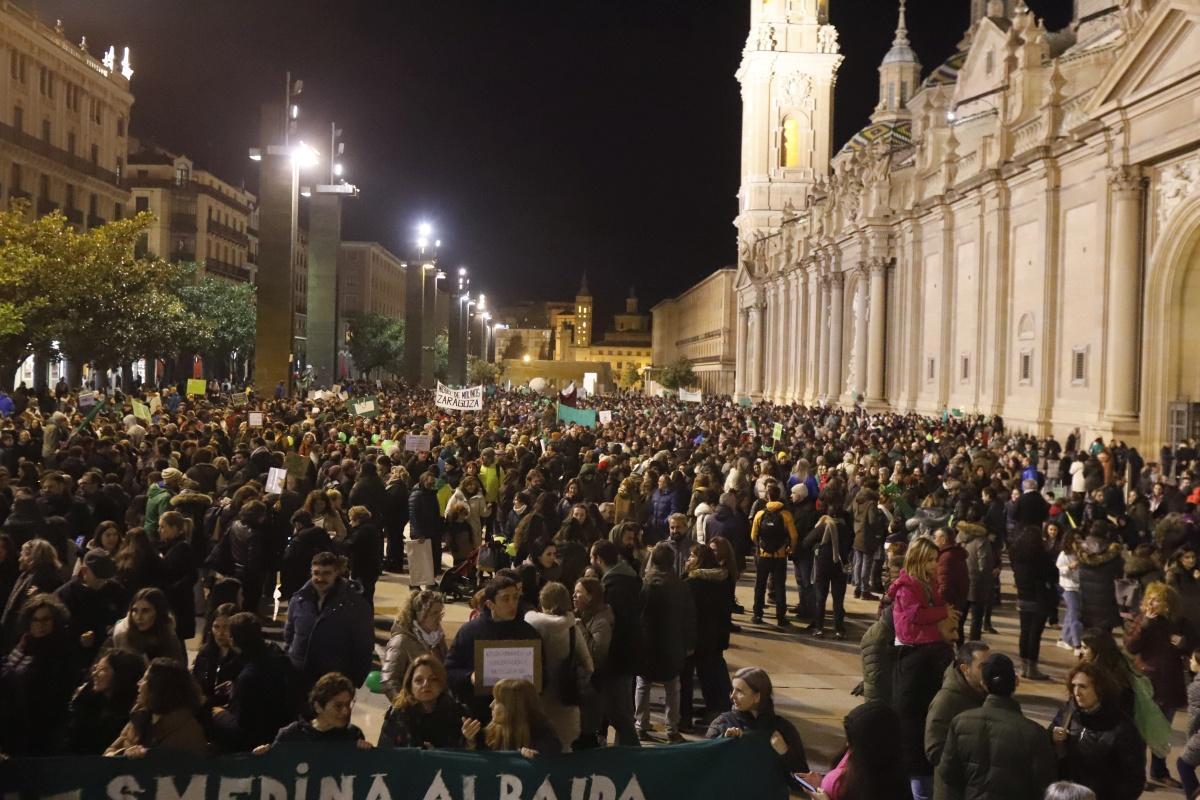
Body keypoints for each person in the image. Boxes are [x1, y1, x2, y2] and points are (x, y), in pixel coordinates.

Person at [887, 536, 957, 800]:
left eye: (935, 560)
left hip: (928, 648)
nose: (934, 565)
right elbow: (916, 616)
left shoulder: (927, 583)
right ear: (917, 560)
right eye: (929, 560)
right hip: (916, 648)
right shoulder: (908, 587)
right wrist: (943, 615)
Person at [934, 653, 1057, 800]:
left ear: (983, 683)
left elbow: (948, 775)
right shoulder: (1035, 733)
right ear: (1016, 682)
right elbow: (1044, 787)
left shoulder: (960, 722)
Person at [444, 576, 542, 724]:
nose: (512, 604)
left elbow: (543, 674)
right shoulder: (470, 632)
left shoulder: (528, 633)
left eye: (515, 598)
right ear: (490, 604)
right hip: (480, 714)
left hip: (518, 716)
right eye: (505, 599)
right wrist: (469, 677)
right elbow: (449, 671)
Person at [1124, 580, 1191, 787]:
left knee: (1162, 732)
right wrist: (1144, 626)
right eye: (1149, 599)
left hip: (1170, 683)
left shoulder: (1177, 622)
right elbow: (1131, 647)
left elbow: (1190, 645)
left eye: (1157, 600)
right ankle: (1137, 775)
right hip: (1147, 684)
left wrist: (1183, 643)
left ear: (1167, 604)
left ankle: (1159, 772)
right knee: (1141, 733)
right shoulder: (1142, 620)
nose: (1151, 604)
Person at [1049, 662, 1146, 800]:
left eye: (1083, 687)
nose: (1077, 693)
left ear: (1099, 689)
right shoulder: (1067, 713)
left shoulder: (1122, 728)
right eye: (1074, 686)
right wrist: (1052, 739)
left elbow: (1134, 779)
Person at [284, 551, 374, 693]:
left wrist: (354, 681)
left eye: (326, 573)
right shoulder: (299, 600)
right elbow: (289, 635)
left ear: (336, 573)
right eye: (316, 573)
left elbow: (364, 647)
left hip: (334, 681)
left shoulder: (355, 605)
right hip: (299, 677)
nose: (320, 578)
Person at [0, 593, 79, 754]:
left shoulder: (60, 652)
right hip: (11, 729)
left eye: (46, 619)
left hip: (38, 733)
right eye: (35, 620)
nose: (40, 625)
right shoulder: (22, 645)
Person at [634, 541, 696, 743]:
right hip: (671, 643)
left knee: (643, 684)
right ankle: (672, 729)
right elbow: (688, 617)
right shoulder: (680, 586)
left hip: (647, 642)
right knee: (672, 687)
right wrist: (688, 643)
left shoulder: (645, 585)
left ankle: (640, 725)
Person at [211, 613, 300, 752]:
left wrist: (219, 714)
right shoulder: (279, 658)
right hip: (285, 733)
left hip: (260, 745)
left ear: (233, 640)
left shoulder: (249, 675)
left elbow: (242, 726)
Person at [706, 667, 809, 787]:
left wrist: (785, 753)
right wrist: (722, 740)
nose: (732, 696)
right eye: (732, 689)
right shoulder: (722, 724)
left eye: (739, 691)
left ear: (757, 697)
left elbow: (803, 783)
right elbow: (704, 768)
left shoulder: (783, 729)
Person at [524, 581, 593, 752]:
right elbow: (589, 665)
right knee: (563, 750)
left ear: (543, 600)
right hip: (564, 700)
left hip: (534, 697)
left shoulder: (529, 625)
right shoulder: (571, 629)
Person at [589, 539, 641, 746]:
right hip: (630, 650)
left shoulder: (612, 586)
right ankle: (625, 751)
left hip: (618, 654)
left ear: (598, 559)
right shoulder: (631, 578)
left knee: (617, 710)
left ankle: (631, 751)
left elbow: (612, 624)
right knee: (623, 707)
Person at [803, 700, 909, 800]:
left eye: (850, 738)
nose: (847, 743)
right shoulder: (900, 774)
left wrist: (819, 789)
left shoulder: (839, 783)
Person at [105, 657, 208, 757]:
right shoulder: (140, 715)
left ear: (159, 687)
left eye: (145, 679)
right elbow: (110, 752)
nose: (138, 683)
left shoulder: (188, 731)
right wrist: (121, 754)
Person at [681, 543, 733, 730]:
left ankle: (706, 713)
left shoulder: (692, 582)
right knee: (710, 674)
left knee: (696, 676)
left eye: (692, 556)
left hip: (696, 636)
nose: (688, 560)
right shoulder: (722, 580)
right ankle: (716, 708)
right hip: (714, 635)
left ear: (701, 560)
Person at [379, 654, 480, 749]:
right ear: (410, 686)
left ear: (442, 684)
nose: (426, 684)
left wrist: (470, 741)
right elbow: (384, 755)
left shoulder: (459, 713)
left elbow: (472, 758)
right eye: (419, 680)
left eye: (433, 679)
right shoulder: (397, 714)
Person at [55, 548, 127, 671]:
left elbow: (123, 616)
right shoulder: (66, 595)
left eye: (106, 578)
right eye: (99, 578)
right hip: (74, 662)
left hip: (107, 659)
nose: (103, 582)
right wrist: (78, 639)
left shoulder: (115, 590)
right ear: (84, 571)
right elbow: (57, 631)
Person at [65, 648, 146, 754]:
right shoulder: (88, 700)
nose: (95, 674)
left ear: (121, 674)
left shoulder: (134, 710)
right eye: (96, 668)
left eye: (103, 669)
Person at [924, 641, 989, 769]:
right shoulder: (946, 701)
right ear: (965, 669)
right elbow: (934, 750)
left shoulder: (987, 693)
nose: (988, 671)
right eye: (982, 666)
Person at [265, 672, 370, 748]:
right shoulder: (291, 736)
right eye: (338, 706)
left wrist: (367, 756)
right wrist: (261, 758)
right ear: (318, 707)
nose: (346, 711)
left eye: (348, 704)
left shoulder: (353, 736)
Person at [1010, 525, 1059, 680]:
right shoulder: (1041, 556)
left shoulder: (1017, 556)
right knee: (1035, 634)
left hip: (1022, 596)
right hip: (1039, 597)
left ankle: (1023, 667)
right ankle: (1032, 667)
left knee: (1024, 632)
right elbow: (1052, 574)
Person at [381, 588, 448, 702]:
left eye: (440, 613)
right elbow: (389, 681)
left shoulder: (437, 638)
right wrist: (404, 705)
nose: (439, 618)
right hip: (413, 708)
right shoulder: (401, 641)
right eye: (434, 613)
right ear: (421, 615)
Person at [1, 537, 64, 653]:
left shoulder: (39, 579)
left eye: (23, 555)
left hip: (26, 642)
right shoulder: (29, 575)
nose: (20, 559)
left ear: (33, 557)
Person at [750, 484, 799, 628]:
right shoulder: (786, 515)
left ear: (767, 496)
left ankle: (757, 614)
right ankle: (781, 617)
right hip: (780, 555)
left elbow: (753, 535)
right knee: (779, 586)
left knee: (760, 585)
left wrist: (760, 546)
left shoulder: (760, 514)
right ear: (779, 496)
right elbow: (794, 536)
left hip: (764, 555)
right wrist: (791, 549)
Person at [572, 576, 613, 748]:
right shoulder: (583, 615)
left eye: (578, 593)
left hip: (592, 685)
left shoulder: (602, 621)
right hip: (582, 684)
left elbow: (596, 653)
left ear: (590, 596)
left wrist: (578, 626)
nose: (574, 596)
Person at [803, 500, 852, 638]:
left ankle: (819, 627)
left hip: (823, 565)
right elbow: (850, 544)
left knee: (820, 597)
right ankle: (839, 629)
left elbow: (806, 542)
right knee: (838, 599)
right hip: (840, 565)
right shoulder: (845, 528)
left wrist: (817, 547)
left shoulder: (823, 526)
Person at [478, 678, 562, 757]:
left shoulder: (544, 737)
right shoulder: (489, 733)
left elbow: (551, 756)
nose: (491, 705)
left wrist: (537, 756)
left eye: (498, 701)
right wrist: (471, 741)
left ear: (514, 707)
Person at [108, 587, 186, 664]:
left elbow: (177, 667)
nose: (139, 617)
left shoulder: (168, 632)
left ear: (158, 613)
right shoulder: (121, 635)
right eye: (135, 610)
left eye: (145, 611)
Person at [191, 602, 243, 709]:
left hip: (228, 708)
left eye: (226, 627)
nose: (220, 633)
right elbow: (196, 680)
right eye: (216, 627)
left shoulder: (241, 656)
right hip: (203, 704)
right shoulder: (205, 652)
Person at [156, 510, 197, 645]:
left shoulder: (182, 548)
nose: (159, 530)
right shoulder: (169, 546)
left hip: (179, 605)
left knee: (176, 643)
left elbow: (191, 576)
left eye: (163, 527)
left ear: (174, 528)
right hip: (176, 602)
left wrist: (171, 589)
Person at [344, 505, 383, 604]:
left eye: (351, 519)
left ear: (357, 519)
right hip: (372, 568)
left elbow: (351, 545)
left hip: (364, 569)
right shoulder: (371, 528)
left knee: (363, 597)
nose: (350, 522)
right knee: (368, 595)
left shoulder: (362, 531)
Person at [517, 538, 560, 609]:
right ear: (538, 556)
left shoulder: (555, 570)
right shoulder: (527, 572)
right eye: (548, 554)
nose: (553, 557)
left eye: (554, 554)